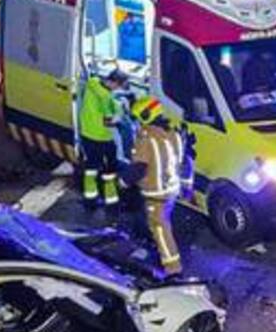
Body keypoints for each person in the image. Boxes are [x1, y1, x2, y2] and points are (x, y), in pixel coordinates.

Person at [125, 96, 193, 277]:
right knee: (161, 224)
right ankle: (162, 254)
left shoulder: (146, 138)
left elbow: (139, 167)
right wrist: (187, 186)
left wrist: (123, 181)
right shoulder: (173, 133)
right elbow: (185, 161)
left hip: (156, 193)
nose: (137, 122)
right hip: (171, 189)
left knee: (160, 229)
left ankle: (173, 269)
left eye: (138, 118)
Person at [78, 64, 129, 210]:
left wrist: (116, 102)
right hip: (102, 138)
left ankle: (90, 200)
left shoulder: (92, 83)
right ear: (114, 82)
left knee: (91, 168)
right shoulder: (106, 98)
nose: (117, 90)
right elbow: (109, 122)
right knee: (110, 171)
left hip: (87, 134)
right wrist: (120, 113)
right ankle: (111, 202)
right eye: (118, 86)